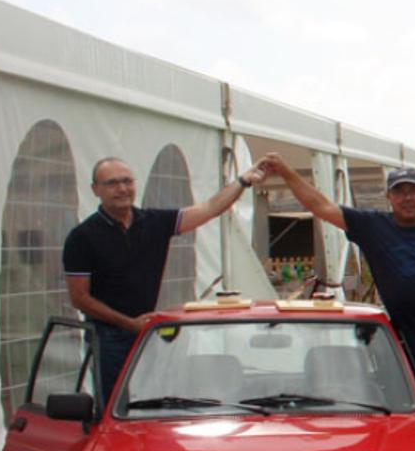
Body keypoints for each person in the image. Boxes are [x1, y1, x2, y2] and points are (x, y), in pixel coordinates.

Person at [262, 155, 415, 398]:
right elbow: (321, 207)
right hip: (395, 348)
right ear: (389, 197)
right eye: (399, 192)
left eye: (413, 191)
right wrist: (286, 171)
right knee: (401, 412)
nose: (408, 198)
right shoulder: (372, 225)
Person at [64, 156, 268, 397]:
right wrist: (128, 323)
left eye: (127, 181)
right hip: (108, 337)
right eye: (111, 183)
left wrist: (243, 181)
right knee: (114, 406)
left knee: (157, 402)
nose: (122, 189)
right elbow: (79, 298)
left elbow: (209, 209)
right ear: (95, 189)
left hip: (150, 331)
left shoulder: (153, 222)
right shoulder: (82, 237)